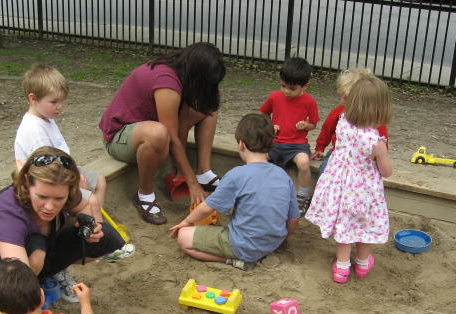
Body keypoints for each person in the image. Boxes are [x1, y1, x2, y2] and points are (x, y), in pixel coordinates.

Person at [0, 146, 126, 301]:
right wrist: (33, 305)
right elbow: (15, 275)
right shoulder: (8, 211)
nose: (50, 206)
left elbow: (85, 206)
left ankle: (43, 275)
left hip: (41, 252)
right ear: (27, 182)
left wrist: (88, 227)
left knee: (106, 236)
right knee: (35, 245)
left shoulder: (62, 190)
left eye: (59, 199)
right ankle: (29, 294)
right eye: (42, 197)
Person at [99, 42, 226, 225]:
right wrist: (191, 183)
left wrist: (184, 173)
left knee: (208, 107)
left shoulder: (181, 70)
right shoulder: (167, 84)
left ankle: (204, 172)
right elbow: (172, 137)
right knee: (158, 134)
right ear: (197, 74)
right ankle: (144, 195)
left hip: (149, 129)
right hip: (120, 136)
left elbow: (181, 121)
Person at [169, 113, 300, 270]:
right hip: (272, 243)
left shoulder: (237, 175)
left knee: (183, 237)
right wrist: (284, 239)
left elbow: (207, 208)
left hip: (242, 245)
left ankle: (232, 261)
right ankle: (259, 252)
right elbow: (294, 219)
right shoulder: (283, 176)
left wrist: (186, 222)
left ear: (241, 145)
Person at [305, 76, 392, 284]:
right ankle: (362, 264)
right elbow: (386, 171)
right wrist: (383, 157)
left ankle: (342, 268)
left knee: (345, 226)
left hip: (340, 186)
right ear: (381, 110)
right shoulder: (376, 142)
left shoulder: (342, 123)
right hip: (363, 192)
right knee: (364, 226)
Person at [14, 64, 108, 225]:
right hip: (47, 182)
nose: (60, 106)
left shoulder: (46, 117)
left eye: (62, 101)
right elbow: (49, 170)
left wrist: (75, 171)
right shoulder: (34, 130)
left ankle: (90, 223)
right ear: (33, 99)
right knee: (91, 201)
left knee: (100, 181)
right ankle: (97, 231)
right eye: (54, 102)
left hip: (63, 169)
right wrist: (76, 180)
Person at [259, 56, 320, 217]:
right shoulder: (274, 97)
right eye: (283, 86)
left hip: (297, 145)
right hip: (275, 142)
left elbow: (314, 124)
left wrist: (306, 125)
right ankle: (258, 189)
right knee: (258, 158)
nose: (286, 91)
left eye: (292, 88)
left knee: (304, 163)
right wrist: (270, 126)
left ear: (305, 86)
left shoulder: (310, 102)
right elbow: (264, 113)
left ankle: (303, 196)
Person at [311, 69, 389, 178]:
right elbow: (327, 129)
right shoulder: (340, 112)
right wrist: (320, 147)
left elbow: (382, 143)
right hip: (339, 154)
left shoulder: (375, 122)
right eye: (342, 95)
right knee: (325, 170)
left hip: (363, 159)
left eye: (346, 97)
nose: (342, 101)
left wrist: (380, 158)